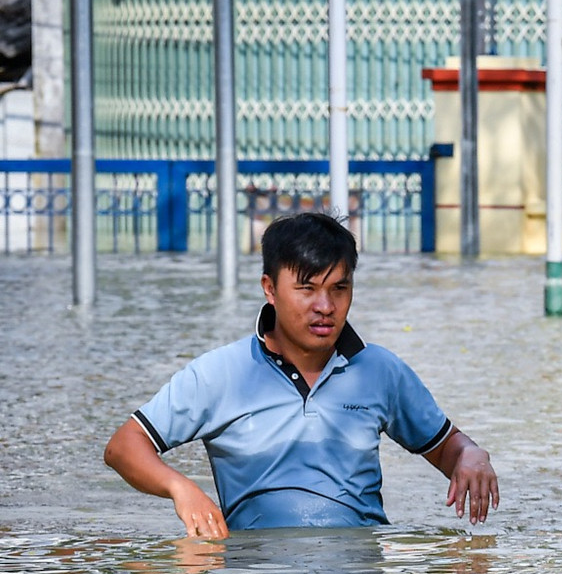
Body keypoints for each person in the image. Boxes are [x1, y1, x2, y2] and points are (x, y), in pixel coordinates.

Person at [103, 213, 499, 536]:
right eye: (307, 289)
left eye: (339, 288)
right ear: (269, 289)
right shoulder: (222, 373)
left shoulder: (380, 371)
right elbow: (124, 446)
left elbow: (448, 447)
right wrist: (181, 489)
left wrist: (471, 454)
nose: (325, 306)